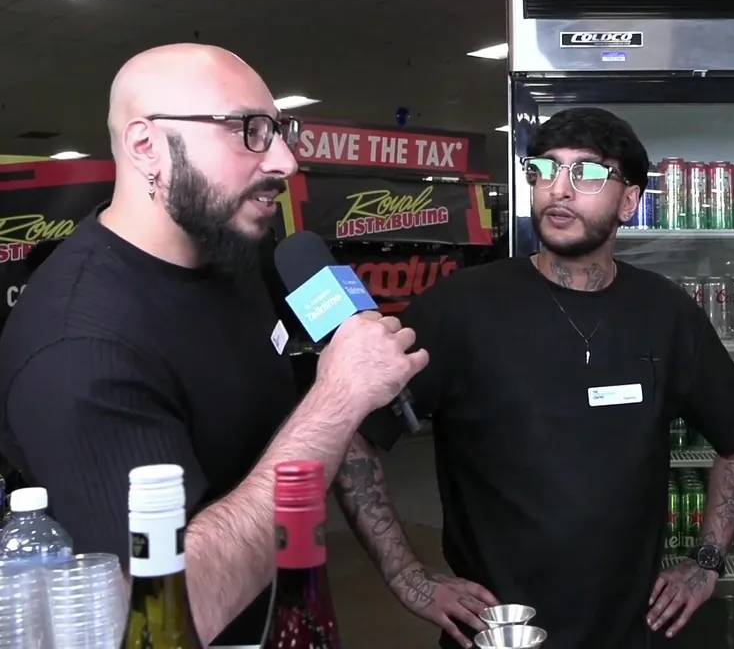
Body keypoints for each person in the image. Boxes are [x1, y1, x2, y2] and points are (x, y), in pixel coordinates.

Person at [0, 44, 497, 647]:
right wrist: (339, 396)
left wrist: (405, 572)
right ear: (146, 146)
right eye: (247, 131)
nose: (286, 160)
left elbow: (318, 427)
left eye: (281, 130)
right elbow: (162, 615)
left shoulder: (235, 252)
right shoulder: (79, 348)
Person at [398, 107, 734, 648]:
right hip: (502, 634)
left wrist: (707, 559)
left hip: (631, 631)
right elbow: (355, 433)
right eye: (545, 169)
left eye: (588, 172)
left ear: (629, 201)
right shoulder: (459, 308)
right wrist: (406, 575)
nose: (559, 189)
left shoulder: (665, 312)